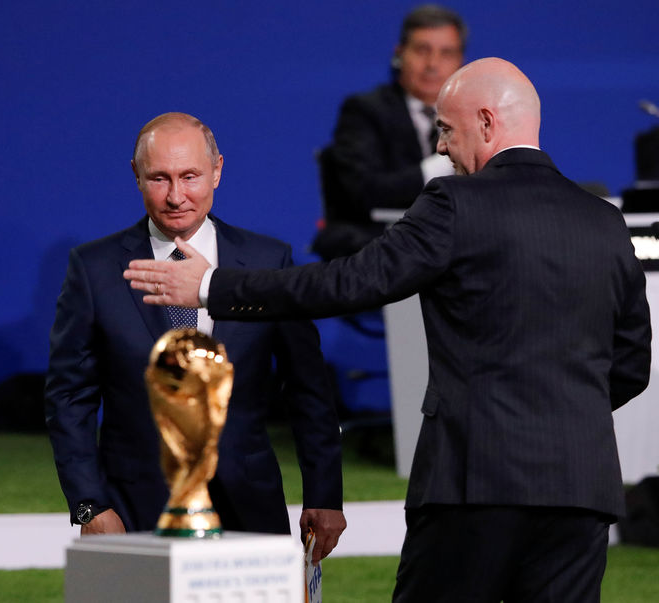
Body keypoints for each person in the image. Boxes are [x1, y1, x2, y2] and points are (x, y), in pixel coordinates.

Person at [124, 60, 652, 602]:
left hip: (473, 485)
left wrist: (211, 287)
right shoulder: (604, 221)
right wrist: (562, 413)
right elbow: (632, 364)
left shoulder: (455, 203)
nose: (441, 149)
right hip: (583, 489)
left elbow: (349, 282)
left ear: (488, 123)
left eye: (445, 130)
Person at [45, 112, 346, 563]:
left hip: (249, 503)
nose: (175, 196)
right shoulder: (94, 269)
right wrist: (89, 506)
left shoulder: (268, 262)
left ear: (218, 171)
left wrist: (325, 494)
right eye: (159, 178)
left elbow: (308, 389)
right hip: (133, 506)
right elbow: (69, 396)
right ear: (136, 176)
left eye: (190, 177)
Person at [313, 4, 466, 259]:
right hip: (376, 251)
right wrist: (436, 168)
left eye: (446, 53)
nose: (433, 64)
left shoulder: (473, 117)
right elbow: (363, 191)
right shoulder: (364, 111)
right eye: (422, 50)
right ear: (400, 53)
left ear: (461, 62)